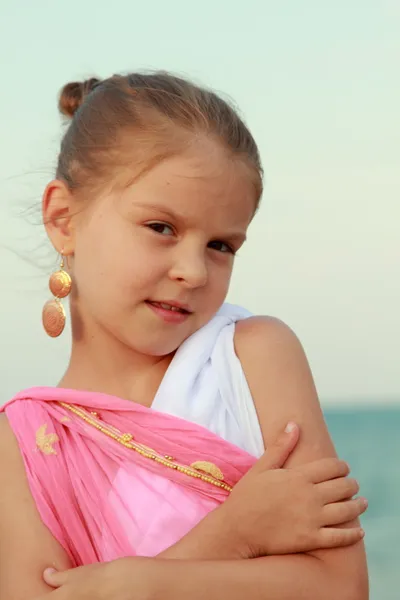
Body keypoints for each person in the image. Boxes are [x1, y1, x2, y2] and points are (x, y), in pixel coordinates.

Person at [0, 71, 368, 600]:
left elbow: (341, 587)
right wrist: (229, 536)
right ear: (63, 217)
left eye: (222, 245)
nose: (194, 271)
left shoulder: (252, 358)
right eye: (161, 228)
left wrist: (126, 584)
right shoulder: (23, 446)